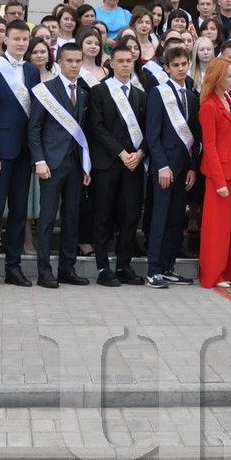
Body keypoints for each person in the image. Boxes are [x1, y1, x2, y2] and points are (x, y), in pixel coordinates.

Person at [0, 20, 38, 288]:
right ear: (6, 40)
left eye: (25, 39)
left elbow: (35, 115)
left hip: (24, 152)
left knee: (19, 212)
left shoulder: (33, 71)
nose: (21, 43)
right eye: (16, 39)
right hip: (0, 152)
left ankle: (13, 267)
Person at [28, 43, 93, 288]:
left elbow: (83, 133)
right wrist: (40, 160)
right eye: (69, 61)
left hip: (75, 165)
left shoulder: (84, 93)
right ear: (59, 62)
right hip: (51, 164)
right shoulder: (45, 90)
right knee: (46, 220)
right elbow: (34, 129)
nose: (74, 65)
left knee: (71, 218)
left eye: (78, 61)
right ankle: (45, 271)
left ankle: (67, 268)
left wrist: (86, 166)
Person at [86, 43, 147, 287]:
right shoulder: (100, 91)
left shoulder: (141, 95)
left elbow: (147, 130)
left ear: (134, 63)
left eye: (128, 61)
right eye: (120, 61)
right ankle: (103, 268)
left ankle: (124, 265)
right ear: (111, 64)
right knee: (103, 216)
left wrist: (140, 153)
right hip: (108, 163)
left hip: (133, 165)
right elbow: (96, 127)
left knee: (131, 215)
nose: (124, 65)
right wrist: (122, 152)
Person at [145, 45, 200, 289]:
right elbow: (152, 135)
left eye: (183, 64)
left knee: (176, 220)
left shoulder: (192, 96)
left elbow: (196, 137)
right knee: (160, 219)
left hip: (184, 169)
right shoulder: (159, 93)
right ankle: (153, 270)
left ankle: (168, 267)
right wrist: (161, 166)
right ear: (166, 68)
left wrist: (193, 167)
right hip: (164, 170)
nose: (180, 69)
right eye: (175, 65)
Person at [197, 59, 231, 288]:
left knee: (228, 228)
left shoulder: (228, 101)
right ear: (216, 77)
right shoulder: (209, 106)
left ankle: (225, 272)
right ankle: (212, 274)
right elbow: (210, 146)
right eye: (228, 76)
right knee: (216, 227)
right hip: (220, 174)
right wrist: (218, 180)